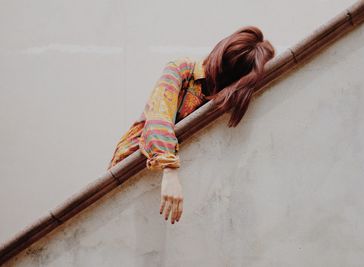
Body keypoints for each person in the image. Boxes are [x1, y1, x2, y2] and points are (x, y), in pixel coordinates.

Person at [107, 25, 275, 225]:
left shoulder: (226, 98)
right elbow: (159, 117)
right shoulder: (181, 70)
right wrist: (170, 170)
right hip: (134, 164)